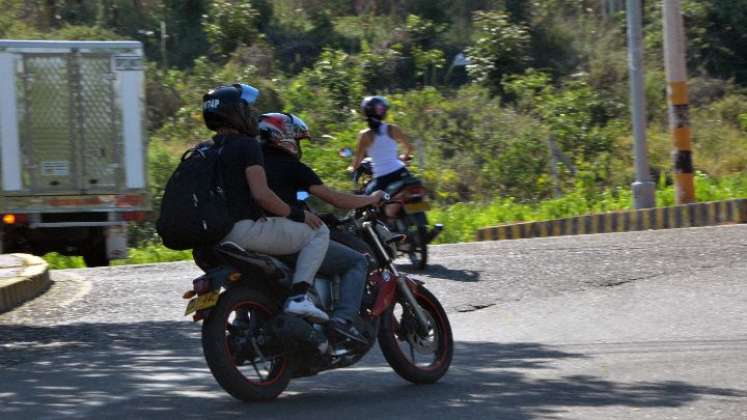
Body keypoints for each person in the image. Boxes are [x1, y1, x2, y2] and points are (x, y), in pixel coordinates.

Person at [202, 84, 329, 322]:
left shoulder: (204, 149)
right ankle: (300, 297)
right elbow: (262, 195)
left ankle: (243, 317)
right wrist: (298, 214)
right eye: (247, 109)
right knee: (319, 231)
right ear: (236, 113)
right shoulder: (247, 146)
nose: (251, 115)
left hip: (206, 239)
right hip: (241, 231)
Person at [258, 112, 385, 343]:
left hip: (255, 234)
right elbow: (335, 199)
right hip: (287, 235)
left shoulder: (251, 164)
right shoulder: (291, 166)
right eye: (296, 140)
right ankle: (343, 321)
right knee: (356, 261)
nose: (297, 146)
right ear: (284, 138)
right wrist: (370, 199)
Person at [351, 96, 415, 197]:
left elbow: (358, 159)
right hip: (402, 172)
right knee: (414, 193)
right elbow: (410, 148)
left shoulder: (365, 135)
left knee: (365, 200)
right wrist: (404, 157)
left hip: (382, 178)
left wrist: (352, 168)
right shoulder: (392, 128)